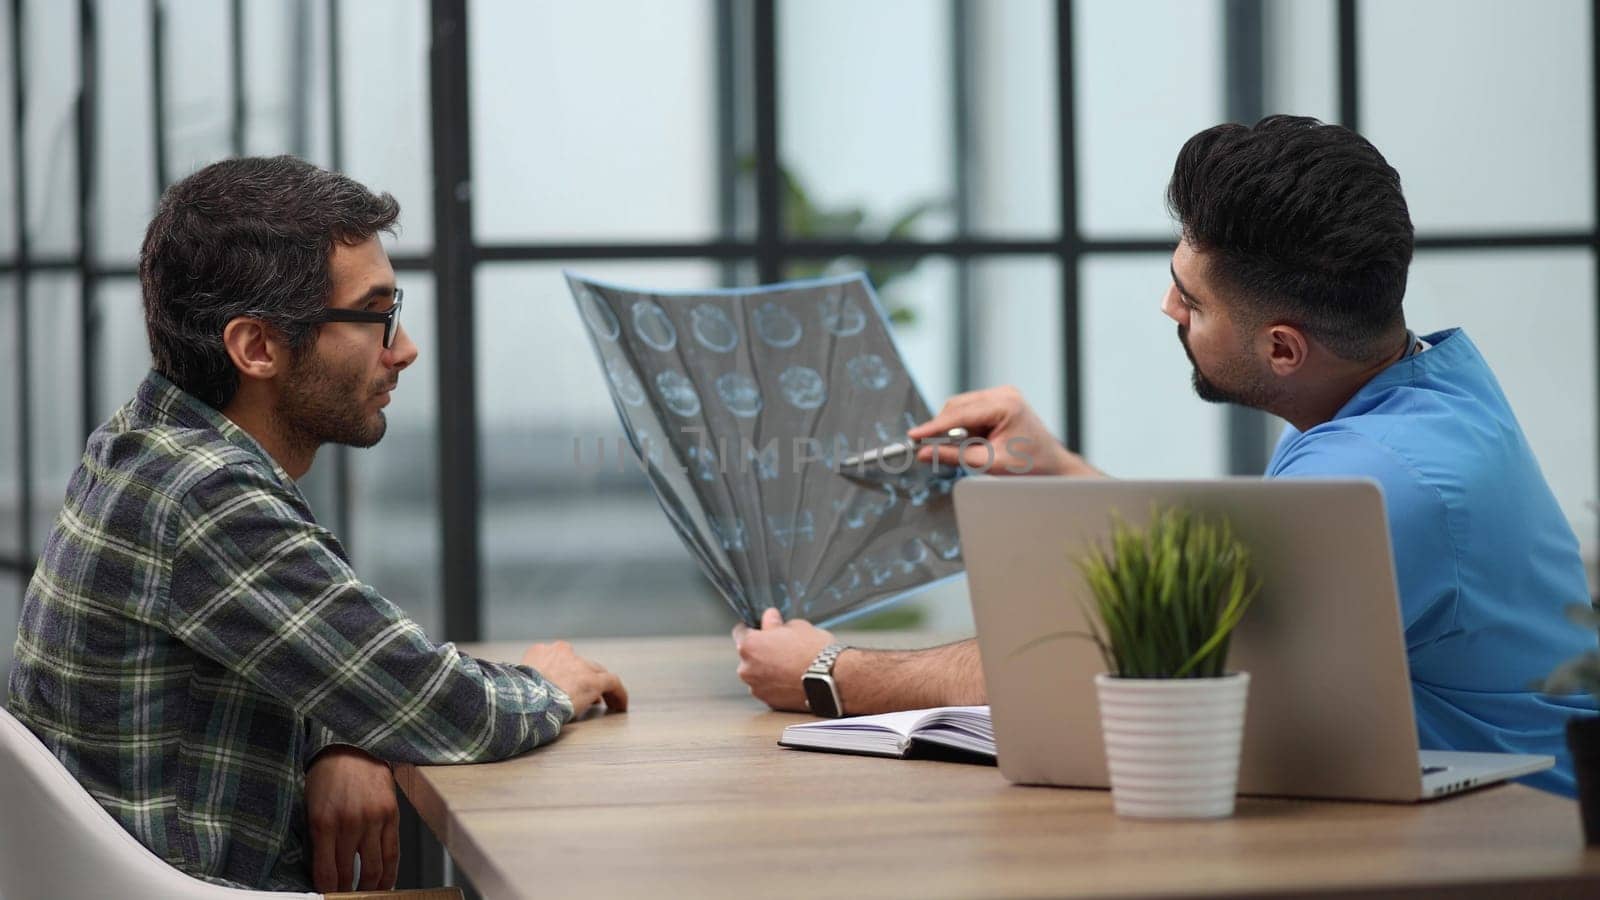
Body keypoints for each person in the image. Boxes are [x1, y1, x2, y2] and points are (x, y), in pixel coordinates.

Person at [734, 115, 1596, 797]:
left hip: (1511, 846)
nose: (1166, 307)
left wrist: (830, 672)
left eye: (1192, 300)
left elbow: (1124, 663)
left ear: (1284, 350)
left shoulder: (1376, 479)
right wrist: (1055, 466)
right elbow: (1221, 586)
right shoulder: (1433, 388)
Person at [6, 156, 628, 892]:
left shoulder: (145, 444)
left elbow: (337, 655)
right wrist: (551, 685)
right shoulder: (207, 497)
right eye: (376, 316)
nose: (404, 349)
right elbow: (444, 707)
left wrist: (344, 739)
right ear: (257, 348)